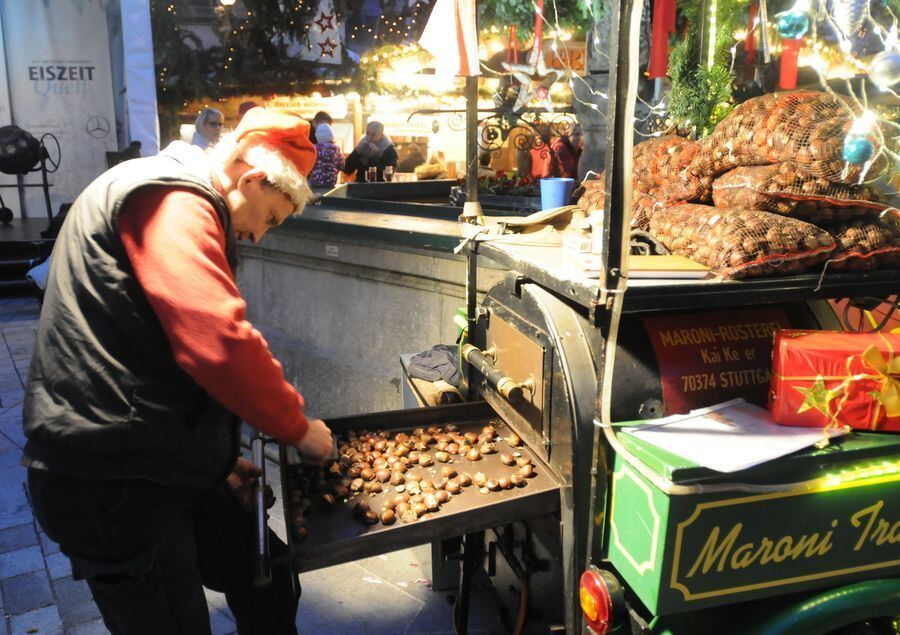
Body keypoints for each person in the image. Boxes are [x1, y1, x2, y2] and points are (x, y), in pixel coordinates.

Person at [23, 108, 334, 635]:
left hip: (154, 457)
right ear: (251, 177)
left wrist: (214, 460)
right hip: (109, 479)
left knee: (268, 574)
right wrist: (299, 429)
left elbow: (157, 346)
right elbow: (215, 339)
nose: (260, 236)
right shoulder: (173, 198)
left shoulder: (179, 196)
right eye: (271, 218)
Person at [308, 122, 344, 189]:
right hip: (331, 182)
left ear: (317, 136)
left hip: (315, 182)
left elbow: (309, 164)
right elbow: (341, 164)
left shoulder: (314, 148)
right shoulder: (336, 149)